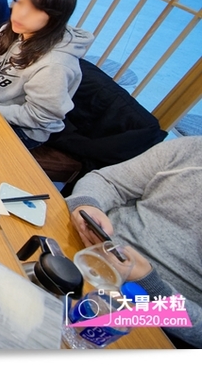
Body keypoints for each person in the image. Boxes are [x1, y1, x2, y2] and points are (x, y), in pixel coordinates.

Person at [66, 136, 202, 348]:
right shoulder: (192, 149)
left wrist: (152, 287)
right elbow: (108, 182)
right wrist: (87, 205)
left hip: (148, 319)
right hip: (89, 252)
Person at [0, 0, 94, 149]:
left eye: (35, 10)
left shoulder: (55, 65)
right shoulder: (13, 30)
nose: (20, 14)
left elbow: (39, 116)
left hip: (24, 129)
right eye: (21, 3)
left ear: (55, 18)